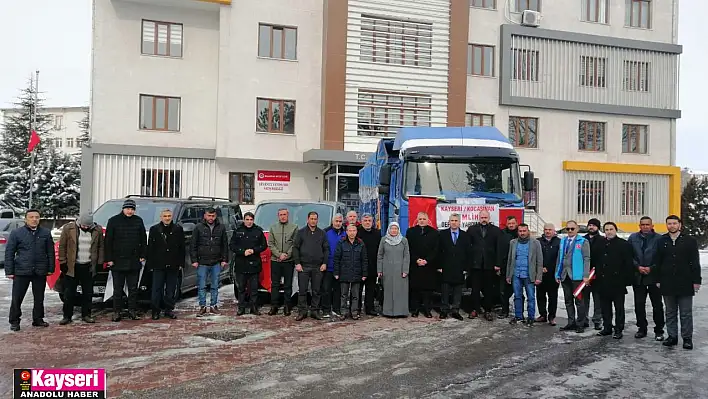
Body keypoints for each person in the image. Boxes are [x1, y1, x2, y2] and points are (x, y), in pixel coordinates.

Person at [654, 215, 701, 350]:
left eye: (674, 223)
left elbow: (695, 262)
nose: (672, 226)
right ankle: (672, 336)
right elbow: (657, 262)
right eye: (669, 223)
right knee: (670, 311)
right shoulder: (661, 241)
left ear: (679, 225)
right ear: (666, 225)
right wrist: (658, 279)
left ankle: (687, 338)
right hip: (667, 282)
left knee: (685, 312)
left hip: (685, 282)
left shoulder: (689, 241)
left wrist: (696, 281)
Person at [6, 210, 55, 331]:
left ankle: (38, 319)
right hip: (21, 270)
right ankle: (14, 321)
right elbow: (10, 252)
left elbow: (50, 252)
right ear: (26, 219)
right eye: (31, 217)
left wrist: (50, 268)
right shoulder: (17, 233)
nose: (34, 219)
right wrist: (9, 271)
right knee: (17, 298)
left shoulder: (46, 233)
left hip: (40, 271)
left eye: (37, 217)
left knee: (39, 298)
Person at [105, 199, 147, 322]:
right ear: (123, 209)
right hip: (117, 261)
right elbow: (108, 241)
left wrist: (143, 254)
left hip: (134, 261)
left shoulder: (138, 221)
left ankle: (132, 310)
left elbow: (143, 240)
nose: (130, 211)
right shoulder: (113, 221)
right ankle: (116, 312)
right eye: (128, 208)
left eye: (132, 209)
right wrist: (109, 259)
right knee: (117, 289)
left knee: (133, 289)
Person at [58, 213, 104, 325]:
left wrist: (99, 263)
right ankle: (67, 316)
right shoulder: (68, 228)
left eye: (88, 226)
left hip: (88, 266)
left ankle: (87, 315)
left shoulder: (97, 230)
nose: (85, 227)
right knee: (69, 293)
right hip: (73, 266)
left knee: (88, 293)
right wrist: (62, 261)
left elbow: (101, 247)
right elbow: (62, 246)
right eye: (83, 225)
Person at [593, 222, 634, 339]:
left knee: (619, 308)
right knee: (605, 307)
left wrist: (626, 280)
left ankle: (619, 329)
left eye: (611, 229)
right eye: (606, 229)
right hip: (602, 281)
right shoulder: (599, 244)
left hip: (618, 282)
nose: (609, 231)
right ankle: (607, 327)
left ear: (615, 230)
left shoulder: (623, 244)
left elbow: (628, 264)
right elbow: (595, 261)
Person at [627, 216, 664, 341]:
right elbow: (628, 255)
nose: (645, 227)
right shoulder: (633, 238)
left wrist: (651, 268)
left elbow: (662, 258)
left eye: (648, 224)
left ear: (652, 226)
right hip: (638, 277)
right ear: (639, 226)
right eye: (643, 225)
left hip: (654, 277)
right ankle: (641, 328)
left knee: (657, 305)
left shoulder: (659, 239)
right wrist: (637, 267)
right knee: (639, 304)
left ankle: (659, 330)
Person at [146, 209, 185, 320]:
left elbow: (182, 247)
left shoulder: (178, 229)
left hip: (173, 264)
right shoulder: (155, 229)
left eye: (169, 216)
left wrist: (181, 263)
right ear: (161, 217)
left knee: (171, 289)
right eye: (165, 216)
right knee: (156, 288)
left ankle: (169, 309)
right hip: (158, 264)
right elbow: (151, 248)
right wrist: (151, 264)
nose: (167, 218)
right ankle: (155, 310)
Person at [190, 207, 229, 317]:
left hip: (216, 261)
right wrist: (194, 260)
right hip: (202, 261)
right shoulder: (198, 227)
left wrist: (224, 259)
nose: (211, 218)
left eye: (213, 216)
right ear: (205, 216)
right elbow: (193, 245)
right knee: (201, 286)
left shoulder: (221, 227)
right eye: (209, 215)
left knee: (215, 285)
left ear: (215, 216)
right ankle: (202, 306)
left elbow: (224, 245)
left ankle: (213, 305)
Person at [555, 220, 591, 333]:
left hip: (577, 276)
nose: (570, 231)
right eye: (568, 229)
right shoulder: (563, 241)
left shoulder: (583, 241)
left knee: (579, 301)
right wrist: (557, 273)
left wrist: (586, 275)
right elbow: (559, 258)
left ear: (577, 229)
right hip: (565, 275)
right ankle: (571, 322)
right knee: (568, 300)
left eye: (572, 229)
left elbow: (586, 259)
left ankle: (581, 323)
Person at [292, 211, 329, 321]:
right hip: (304, 266)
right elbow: (295, 248)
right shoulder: (301, 232)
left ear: (317, 220)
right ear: (308, 219)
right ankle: (302, 311)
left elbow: (326, 249)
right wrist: (297, 263)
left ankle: (315, 311)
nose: (313, 221)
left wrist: (324, 263)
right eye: (311, 218)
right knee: (302, 290)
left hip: (318, 267)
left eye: (315, 219)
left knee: (316, 290)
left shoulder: (322, 233)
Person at [467, 210, 503, 321]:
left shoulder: (496, 231)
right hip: (475, 265)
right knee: (475, 289)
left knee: (488, 290)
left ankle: (488, 311)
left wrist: (498, 264)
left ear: (489, 218)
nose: (484, 219)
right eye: (482, 217)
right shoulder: (472, 230)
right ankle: (474, 309)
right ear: (479, 218)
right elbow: (467, 247)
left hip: (489, 265)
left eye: (486, 217)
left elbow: (499, 249)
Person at [505, 223, 543, 325]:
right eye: (520, 231)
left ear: (528, 231)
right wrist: (508, 275)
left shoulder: (535, 243)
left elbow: (539, 261)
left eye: (524, 231)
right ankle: (518, 316)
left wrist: (539, 276)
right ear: (518, 232)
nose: (522, 233)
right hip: (516, 274)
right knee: (517, 296)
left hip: (529, 275)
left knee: (530, 297)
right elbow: (510, 260)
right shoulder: (513, 243)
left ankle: (530, 317)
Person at [231, 212, 267, 316]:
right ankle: (241, 308)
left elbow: (263, 245)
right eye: (247, 219)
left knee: (254, 288)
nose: (249, 222)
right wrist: (242, 251)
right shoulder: (238, 231)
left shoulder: (258, 231)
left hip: (254, 264)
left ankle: (254, 307)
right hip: (241, 264)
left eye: (251, 220)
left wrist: (254, 250)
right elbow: (232, 245)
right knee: (241, 288)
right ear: (244, 220)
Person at [437, 214, 471, 320]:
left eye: (456, 220)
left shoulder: (465, 235)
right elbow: (438, 251)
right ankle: (444, 310)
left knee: (457, 290)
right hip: (446, 266)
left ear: (459, 222)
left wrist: (466, 268)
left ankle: (455, 310)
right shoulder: (442, 234)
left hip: (459, 267)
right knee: (445, 290)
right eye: (452, 220)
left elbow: (468, 253)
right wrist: (439, 266)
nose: (454, 222)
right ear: (449, 222)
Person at [405, 212, 439, 318]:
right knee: (415, 289)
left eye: (424, 219)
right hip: (415, 265)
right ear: (417, 220)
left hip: (429, 266)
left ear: (428, 220)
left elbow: (436, 250)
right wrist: (416, 260)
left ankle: (427, 310)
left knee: (427, 290)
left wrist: (427, 260)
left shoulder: (434, 233)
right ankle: (415, 309)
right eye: (420, 219)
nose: (422, 221)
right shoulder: (410, 232)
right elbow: (408, 248)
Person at [267, 208, 298, 316]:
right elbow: (270, 243)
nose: (283, 216)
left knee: (288, 285)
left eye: (284, 214)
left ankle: (287, 306)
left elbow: (295, 244)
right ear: (278, 215)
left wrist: (286, 255)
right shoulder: (273, 227)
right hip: (275, 260)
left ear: (288, 215)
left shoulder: (294, 227)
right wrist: (279, 254)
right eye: (281, 215)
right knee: (275, 284)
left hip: (289, 261)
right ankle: (274, 306)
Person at [334, 224, 368, 320]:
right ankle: (343, 312)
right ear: (347, 232)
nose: (352, 232)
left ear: (356, 232)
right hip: (344, 272)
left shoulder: (361, 243)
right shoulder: (341, 243)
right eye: (350, 230)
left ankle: (354, 312)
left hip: (357, 273)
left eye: (354, 230)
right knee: (343, 295)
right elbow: (337, 259)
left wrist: (364, 273)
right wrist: (336, 273)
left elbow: (364, 260)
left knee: (355, 295)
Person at [377, 222, 410, 317]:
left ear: (398, 230)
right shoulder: (384, 240)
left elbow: (406, 256)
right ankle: (388, 312)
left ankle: (401, 312)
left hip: (400, 271)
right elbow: (380, 255)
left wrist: (405, 270)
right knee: (388, 291)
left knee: (401, 291)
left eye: (396, 228)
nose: (394, 230)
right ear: (389, 229)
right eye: (392, 228)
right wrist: (379, 270)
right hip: (387, 270)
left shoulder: (404, 240)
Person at [357, 214, 381, 316]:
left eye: (369, 221)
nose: (367, 222)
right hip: (359, 266)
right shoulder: (357, 232)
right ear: (361, 221)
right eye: (365, 220)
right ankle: (356, 308)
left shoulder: (377, 233)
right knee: (357, 289)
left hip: (372, 265)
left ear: (372, 222)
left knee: (370, 289)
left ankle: (369, 308)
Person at [536, 223, 560, 326]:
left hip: (554, 274)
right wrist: (540, 268)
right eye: (546, 229)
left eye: (550, 229)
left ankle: (552, 317)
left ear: (554, 231)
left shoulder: (559, 242)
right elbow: (534, 256)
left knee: (553, 297)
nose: (548, 231)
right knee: (540, 295)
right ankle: (542, 315)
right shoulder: (538, 241)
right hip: (541, 273)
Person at [322, 214, 346, 319]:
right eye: (336, 221)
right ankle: (326, 310)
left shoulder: (345, 233)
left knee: (338, 290)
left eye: (340, 221)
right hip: (328, 266)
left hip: (340, 267)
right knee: (326, 289)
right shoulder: (326, 232)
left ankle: (336, 309)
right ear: (332, 221)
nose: (338, 223)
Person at [584, 218, 604, 330]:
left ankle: (597, 320)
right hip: (585, 273)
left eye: (594, 225)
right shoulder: (582, 239)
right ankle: (584, 319)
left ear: (598, 227)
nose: (591, 227)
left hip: (598, 274)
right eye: (590, 225)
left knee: (598, 299)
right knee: (584, 298)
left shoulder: (602, 240)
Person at [497, 216, 519, 319]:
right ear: (506, 224)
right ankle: (504, 310)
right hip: (504, 267)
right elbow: (498, 250)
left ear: (516, 223)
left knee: (517, 291)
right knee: (502, 290)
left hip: (517, 267)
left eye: (513, 223)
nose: (511, 225)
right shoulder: (501, 234)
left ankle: (519, 312)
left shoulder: (520, 233)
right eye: (509, 223)